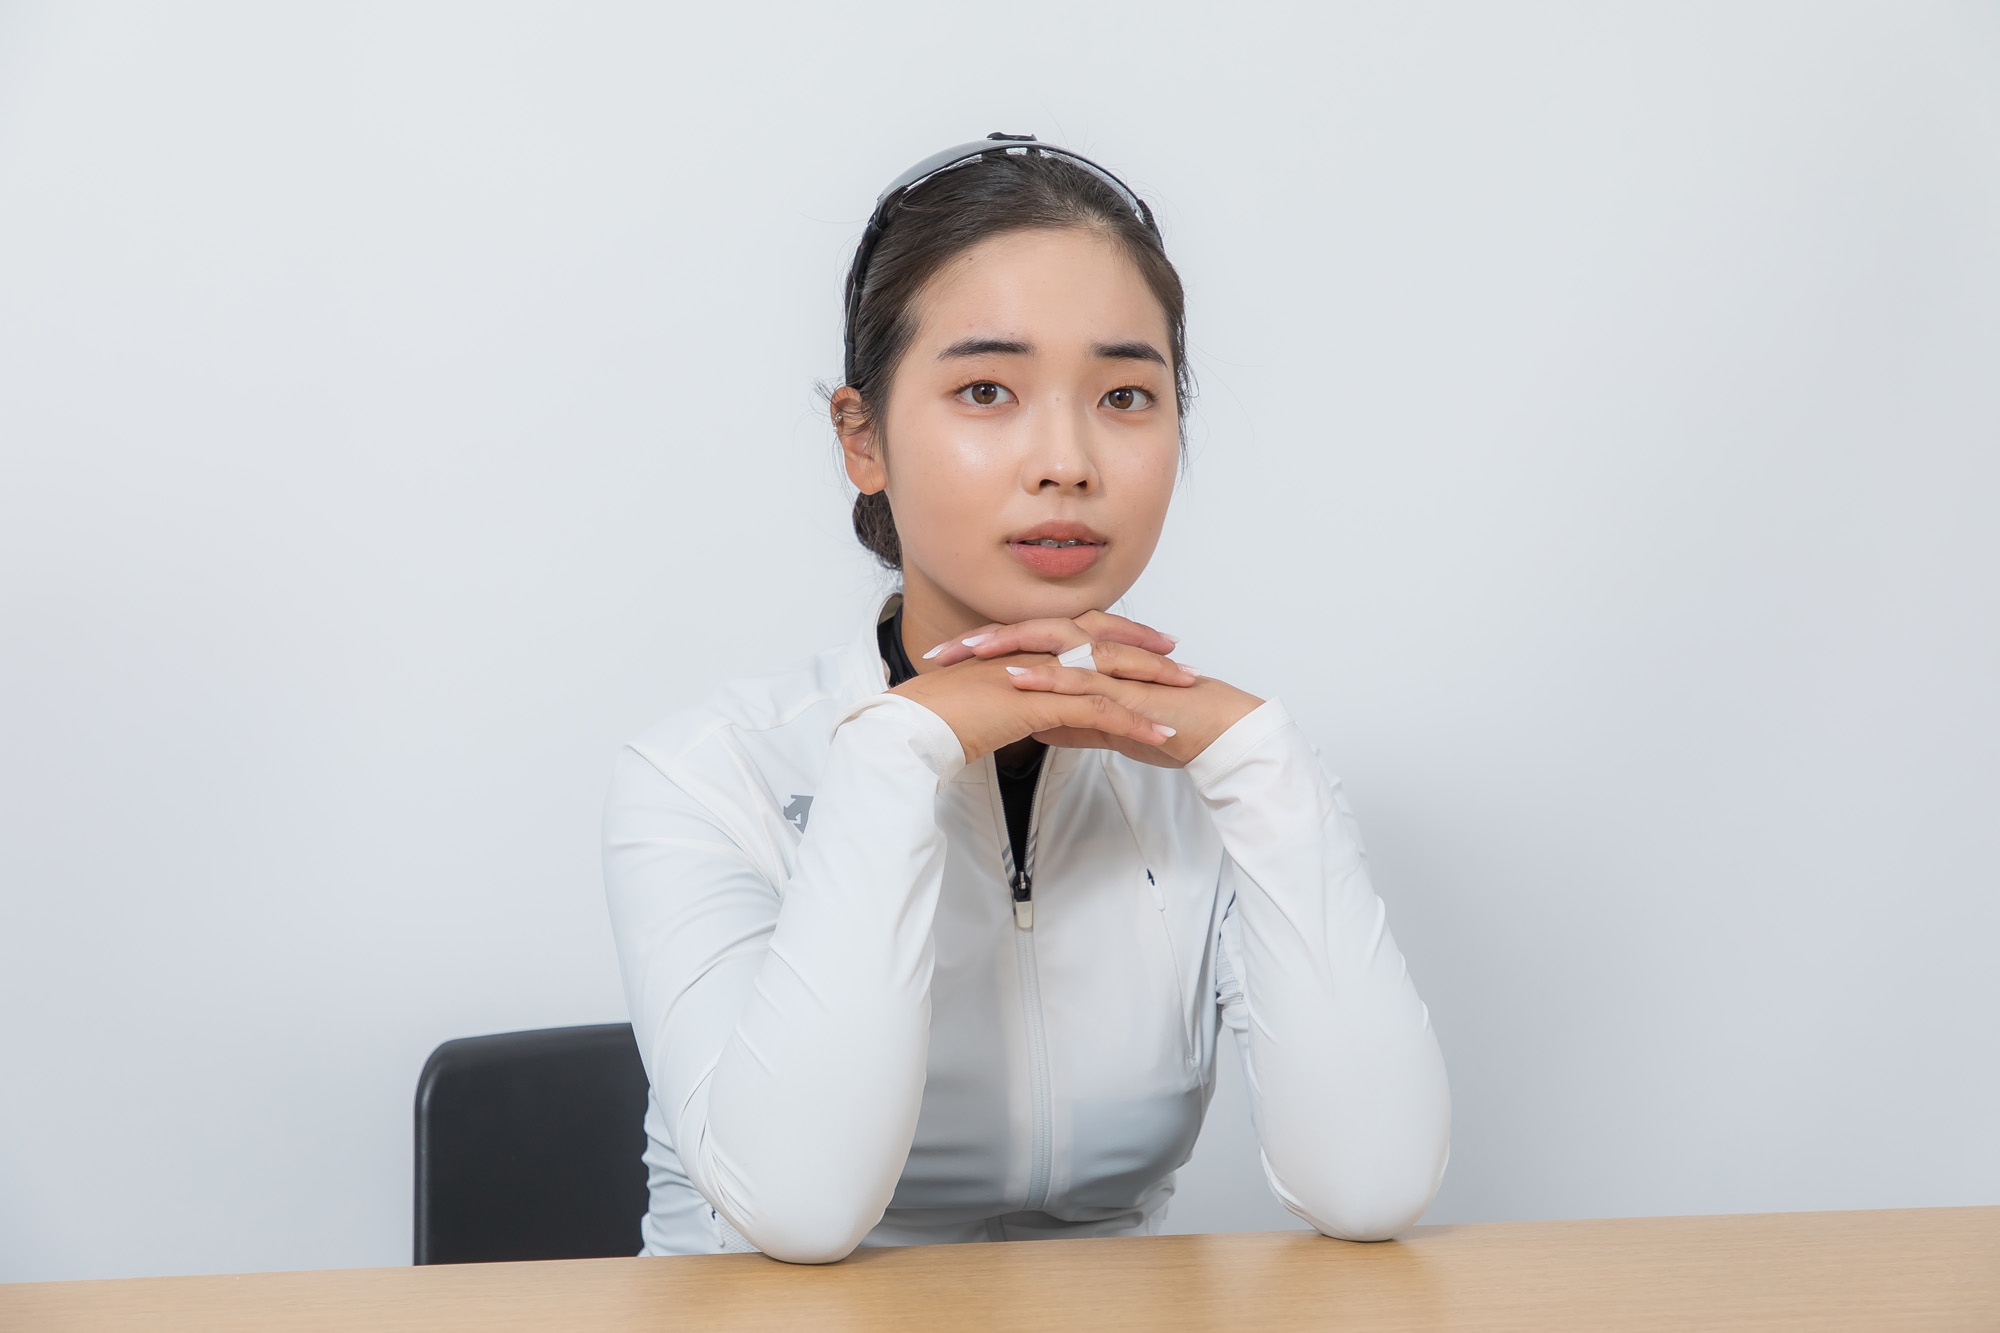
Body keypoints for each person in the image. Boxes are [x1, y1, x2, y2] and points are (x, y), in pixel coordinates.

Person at [603, 136, 1450, 1264]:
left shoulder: (1218, 773)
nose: (1066, 461)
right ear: (863, 440)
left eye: (1124, 395)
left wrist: (1262, 762)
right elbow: (799, 1211)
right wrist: (898, 749)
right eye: (986, 391)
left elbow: (1370, 1186)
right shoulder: (707, 776)